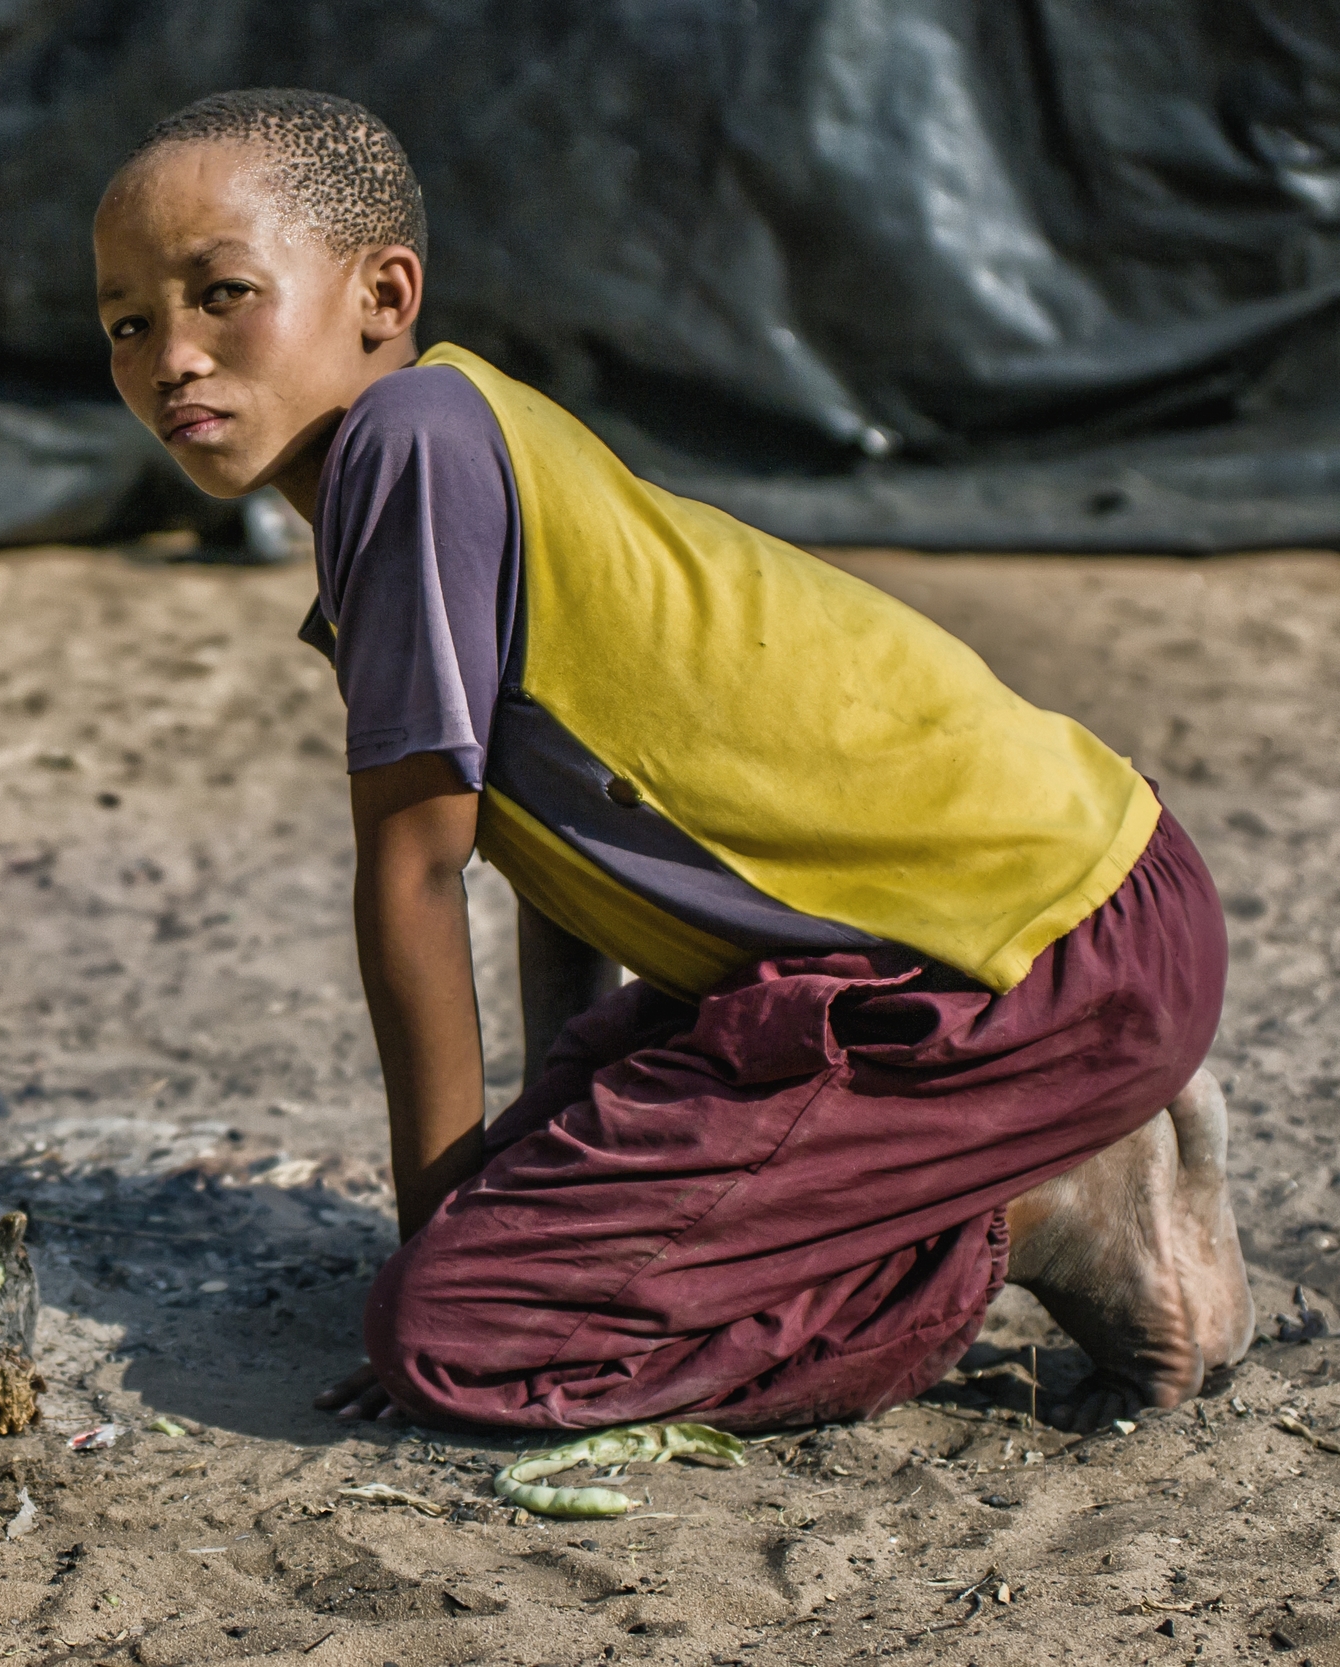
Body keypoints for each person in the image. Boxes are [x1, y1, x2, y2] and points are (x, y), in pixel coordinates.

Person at [90, 87, 1253, 1434]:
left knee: (458, 1339)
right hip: (980, 943)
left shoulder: (409, 445)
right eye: (127, 324)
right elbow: (548, 861)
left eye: (222, 292)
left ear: (383, 292)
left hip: (1049, 955)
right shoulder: (447, 451)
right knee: (519, 1206)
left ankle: (1051, 1208)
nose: (172, 354)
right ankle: (1020, 1156)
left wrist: (432, 1247)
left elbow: (416, 874)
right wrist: (508, 1163)